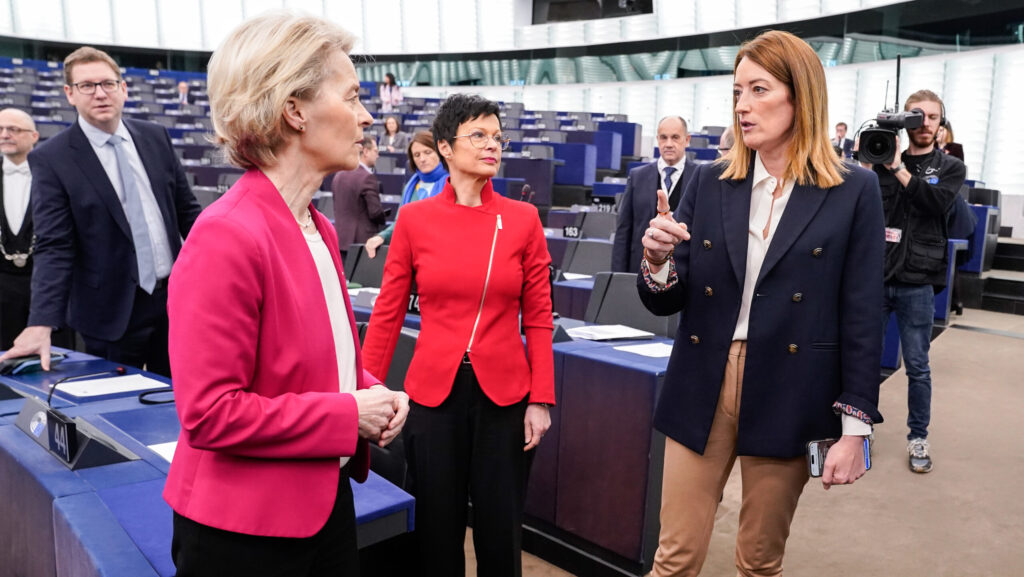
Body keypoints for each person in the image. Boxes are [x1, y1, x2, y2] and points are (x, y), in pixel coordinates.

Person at [162, 12, 409, 577]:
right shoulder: (227, 233)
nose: (368, 116)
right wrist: (350, 413)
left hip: (323, 506)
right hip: (245, 533)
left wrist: (370, 392)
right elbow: (210, 414)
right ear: (293, 110)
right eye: (351, 97)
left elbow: (311, 367)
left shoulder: (316, 226)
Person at [638, 30, 884, 576]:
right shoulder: (709, 181)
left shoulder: (853, 190)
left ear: (801, 97)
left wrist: (855, 428)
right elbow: (669, 300)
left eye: (758, 89)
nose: (743, 106)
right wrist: (657, 262)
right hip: (703, 374)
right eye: (736, 92)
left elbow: (864, 312)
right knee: (672, 556)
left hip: (790, 384)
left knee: (759, 560)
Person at [362, 93, 554, 577]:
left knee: (500, 531)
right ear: (445, 147)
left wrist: (541, 399)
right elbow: (386, 312)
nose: (493, 146)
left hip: (505, 398)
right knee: (435, 532)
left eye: (497, 137)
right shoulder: (414, 219)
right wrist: (364, 390)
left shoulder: (523, 219)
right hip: (433, 397)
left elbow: (538, 315)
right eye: (479, 136)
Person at [0, 47, 201, 376]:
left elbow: (188, 213)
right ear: (69, 94)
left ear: (123, 88)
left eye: (108, 83)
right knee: (117, 414)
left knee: (178, 400)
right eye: (87, 86)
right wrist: (41, 322)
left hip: (173, 302)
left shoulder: (155, 137)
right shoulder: (52, 158)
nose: (100, 93)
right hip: (110, 314)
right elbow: (55, 246)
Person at [866, 89, 965, 474]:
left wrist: (898, 169)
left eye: (932, 117)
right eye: (916, 115)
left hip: (919, 281)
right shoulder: (882, 156)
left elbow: (935, 204)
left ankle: (917, 436)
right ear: (904, 120)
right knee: (864, 359)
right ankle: (861, 427)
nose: (924, 123)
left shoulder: (950, 167)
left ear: (941, 125)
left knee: (918, 365)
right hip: (877, 275)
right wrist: (878, 160)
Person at [612, 116, 698, 273]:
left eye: (675, 137)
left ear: (687, 140)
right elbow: (624, 231)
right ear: (657, 139)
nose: (669, 144)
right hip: (639, 271)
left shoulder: (700, 177)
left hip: (684, 273)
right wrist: (618, 274)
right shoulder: (637, 176)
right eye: (663, 138)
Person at [364, 130, 448, 258]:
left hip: (441, 254)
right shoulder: (411, 186)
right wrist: (382, 236)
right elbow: (400, 222)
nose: (422, 159)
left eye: (428, 152)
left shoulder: (453, 182)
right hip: (413, 254)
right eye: (417, 155)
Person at [332, 136, 386, 261]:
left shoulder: (338, 174)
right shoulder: (367, 177)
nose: (377, 156)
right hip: (362, 243)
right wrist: (384, 219)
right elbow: (375, 212)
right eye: (375, 151)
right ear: (366, 152)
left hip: (340, 239)